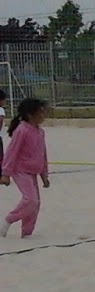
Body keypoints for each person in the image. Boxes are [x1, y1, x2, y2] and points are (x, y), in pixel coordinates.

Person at [1, 98, 50, 238]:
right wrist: (5, 174)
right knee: (30, 200)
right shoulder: (22, 130)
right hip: (20, 171)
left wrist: (44, 175)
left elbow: (43, 154)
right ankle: (8, 220)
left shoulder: (40, 132)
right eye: (41, 112)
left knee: (36, 204)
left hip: (33, 172)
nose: (44, 114)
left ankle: (27, 232)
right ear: (30, 114)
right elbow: (12, 152)